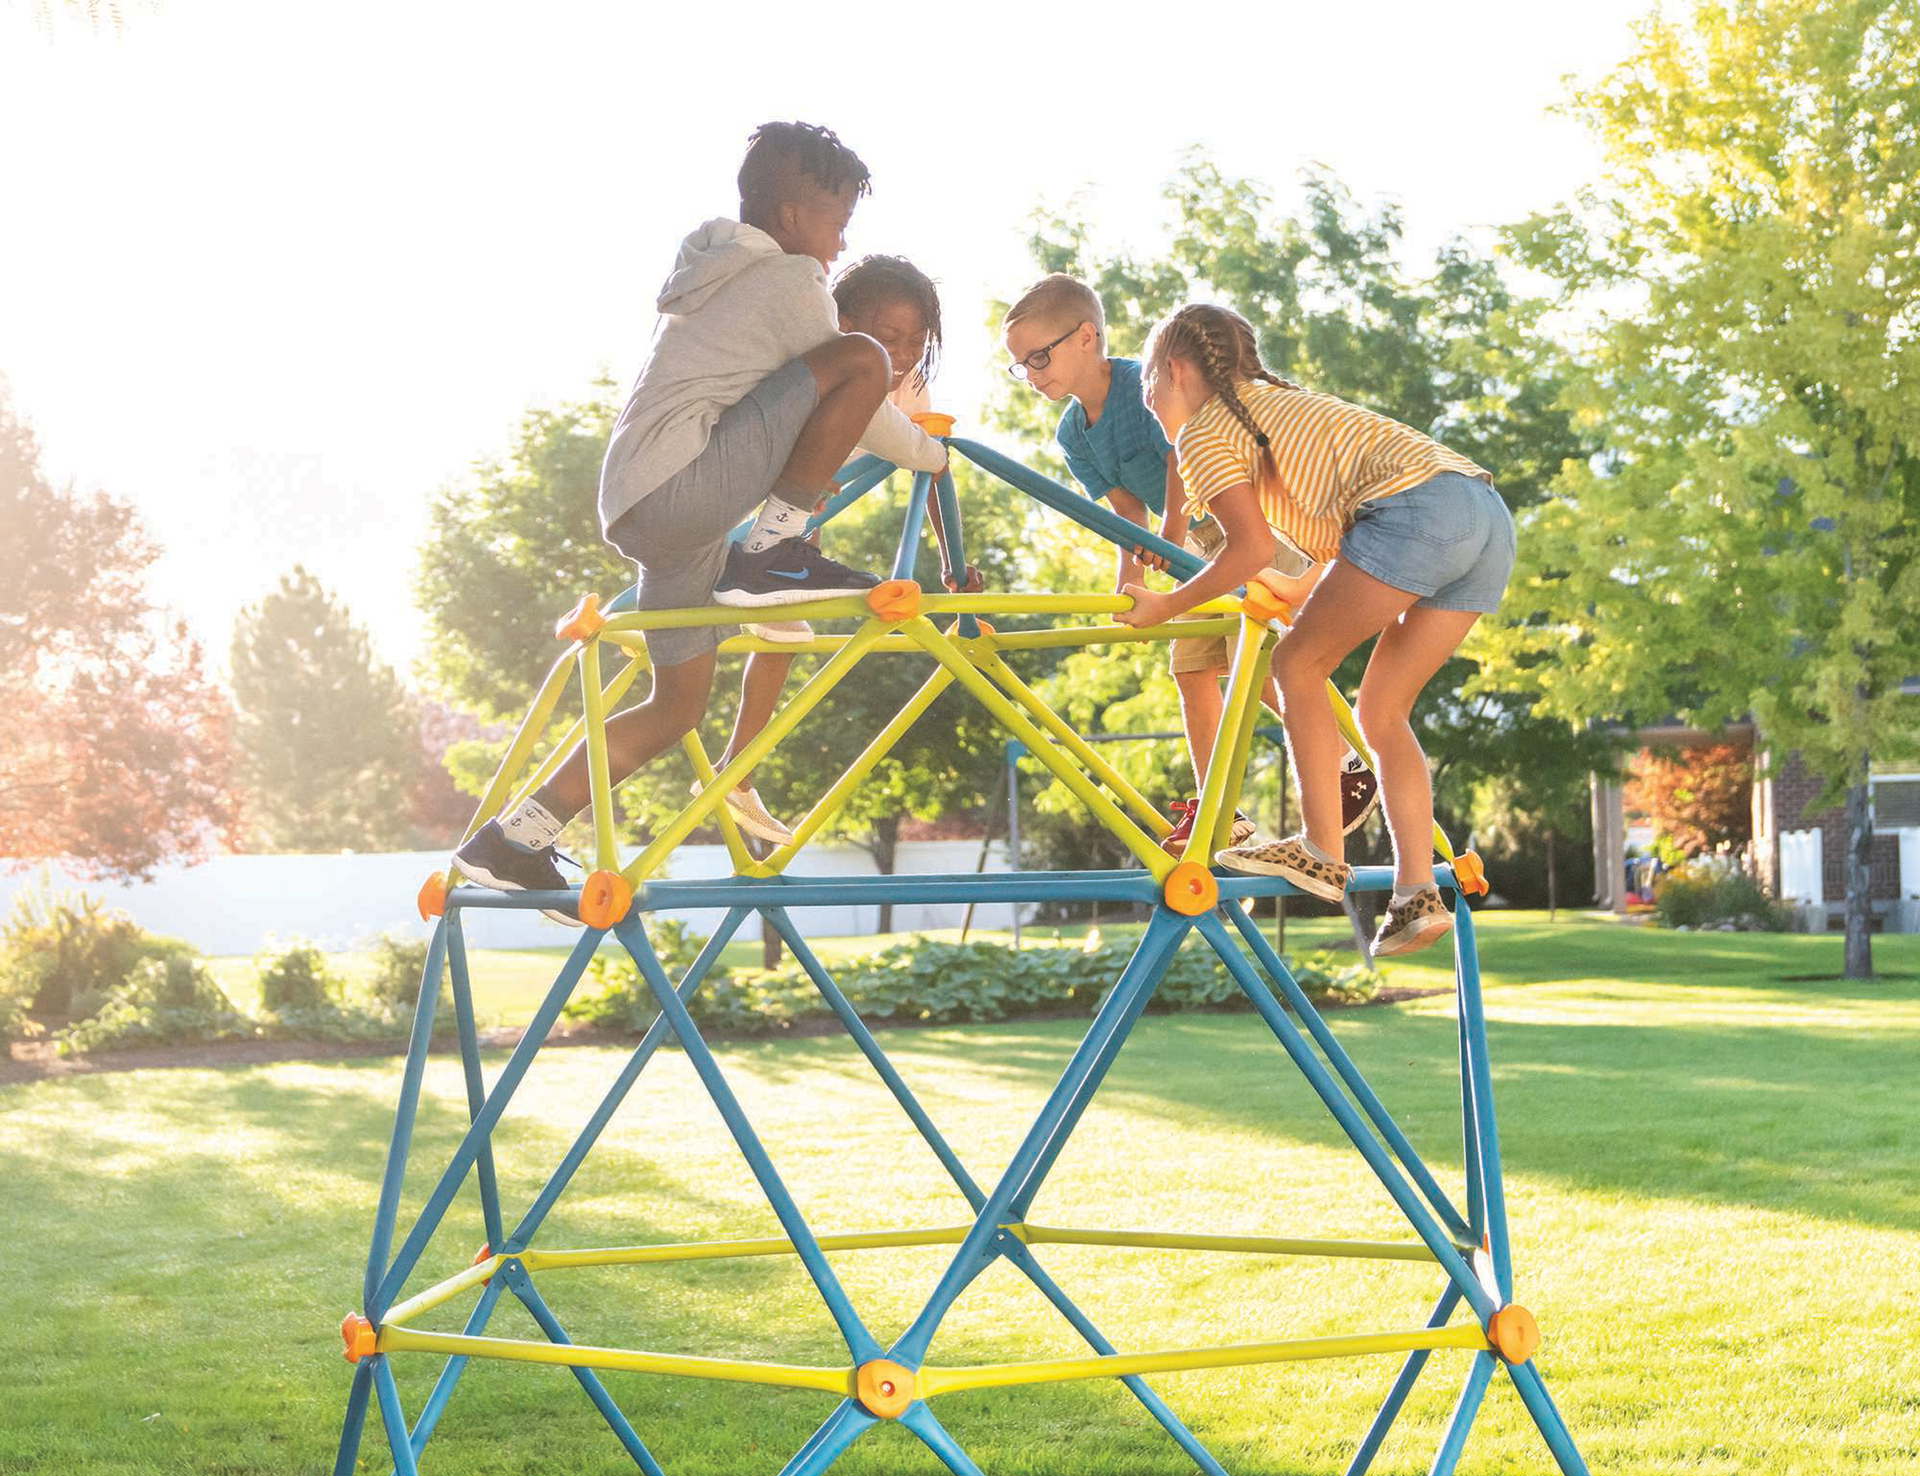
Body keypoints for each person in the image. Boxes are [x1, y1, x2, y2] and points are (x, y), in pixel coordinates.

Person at [452, 122, 948, 901]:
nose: (841, 238)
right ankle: (775, 547)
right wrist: (933, 452)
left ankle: (514, 838)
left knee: (676, 709)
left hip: (653, 510)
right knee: (863, 361)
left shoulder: (716, 278)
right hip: (681, 492)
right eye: (835, 220)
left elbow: (794, 417)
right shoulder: (788, 283)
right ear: (790, 218)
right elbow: (866, 398)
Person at [1118, 302, 1515, 959]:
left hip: (1418, 512)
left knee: (1296, 667)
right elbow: (1340, 541)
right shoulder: (1281, 404)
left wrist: (1167, 605)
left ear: (1178, 372)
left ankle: (1322, 850)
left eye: (1149, 383)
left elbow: (1244, 550)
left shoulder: (1205, 431)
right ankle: (1416, 896)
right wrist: (1296, 590)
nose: (1149, 398)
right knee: (1383, 712)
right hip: (1483, 516)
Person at [1002, 274, 1376, 855]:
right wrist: (1131, 580)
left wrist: (1172, 529)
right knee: (1192, 671)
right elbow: (1125, 510)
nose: (1030, 373)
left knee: (1259, 662)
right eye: (1019, 365)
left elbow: (1182, 453)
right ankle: (1220, 808)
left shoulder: (1141, 384)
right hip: (1190, 555)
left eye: (1038, 356)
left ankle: (1345, 762)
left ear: (1085, 337)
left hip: (1240, 529)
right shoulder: (1073, 431)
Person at [710, 253, 983, 846]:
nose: (904, 354)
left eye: (916, 340)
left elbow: (930, 463)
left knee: (783, 632)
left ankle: (737, 770)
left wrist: (947, 558)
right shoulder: (817, 361)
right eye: (888, 338)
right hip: (757, 510)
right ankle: (731, 768)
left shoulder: (908, 382)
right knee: (756, 628)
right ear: (841, 320)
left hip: (806, 520)